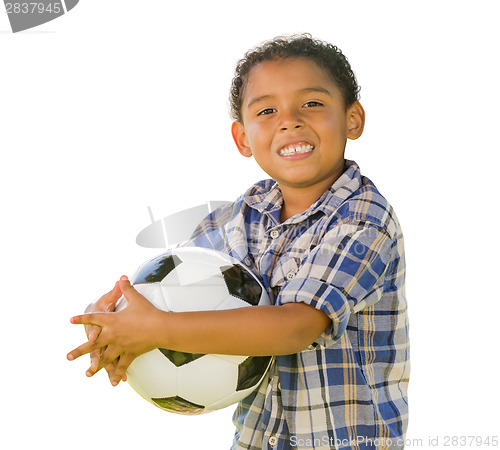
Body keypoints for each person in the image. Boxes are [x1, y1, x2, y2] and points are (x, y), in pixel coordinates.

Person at [68, 34, 410, 449]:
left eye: (312, 103)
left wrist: (157, 328)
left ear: (352, 119)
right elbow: (180, 284)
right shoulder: (245, 213)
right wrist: (116, 318)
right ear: (242, 138)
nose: (290, 120)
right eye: (267, 110)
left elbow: (295, 328)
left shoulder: (363, 220)